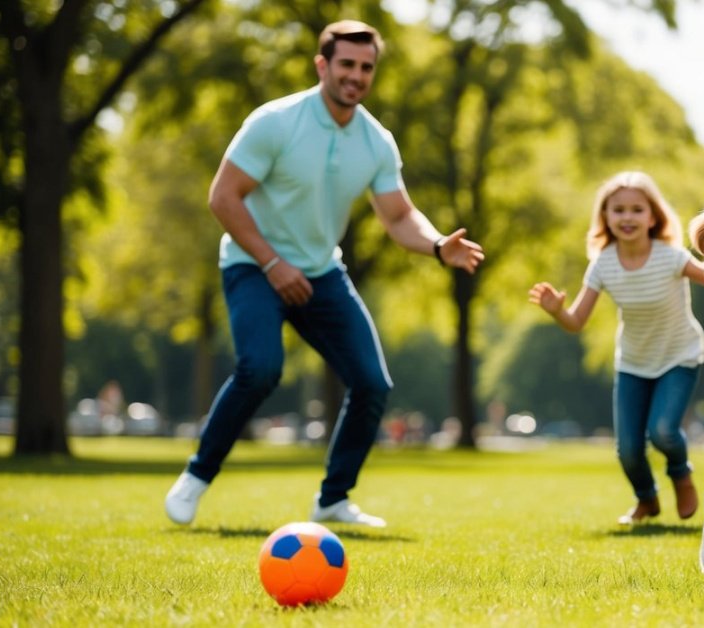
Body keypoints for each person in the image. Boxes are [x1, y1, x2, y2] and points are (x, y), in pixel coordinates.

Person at [165, 20, 484, 528]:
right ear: (322, 65)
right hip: (253, 264)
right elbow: (222, 197)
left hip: (320, 272)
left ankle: (333, 499)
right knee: (262, 368)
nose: (356, 76)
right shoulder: (276, 122)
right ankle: (197, 476)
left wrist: (437, 246)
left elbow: (399, 217)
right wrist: (272, 263)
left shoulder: (376, 141)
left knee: (372, 383)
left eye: (366, 68)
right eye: (347, 65)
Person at [529, 172, 704, 525]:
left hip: (680, 355)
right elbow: (576, 321)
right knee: (628, 450)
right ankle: (647, 500)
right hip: (633, 363)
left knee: (662, 431)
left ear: (652, 217)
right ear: (606, 218)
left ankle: (681, 473)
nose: (627, 217)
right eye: (618, 210)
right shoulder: (603, 264)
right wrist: (556, 311)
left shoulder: (671, 257)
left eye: (636, 209)